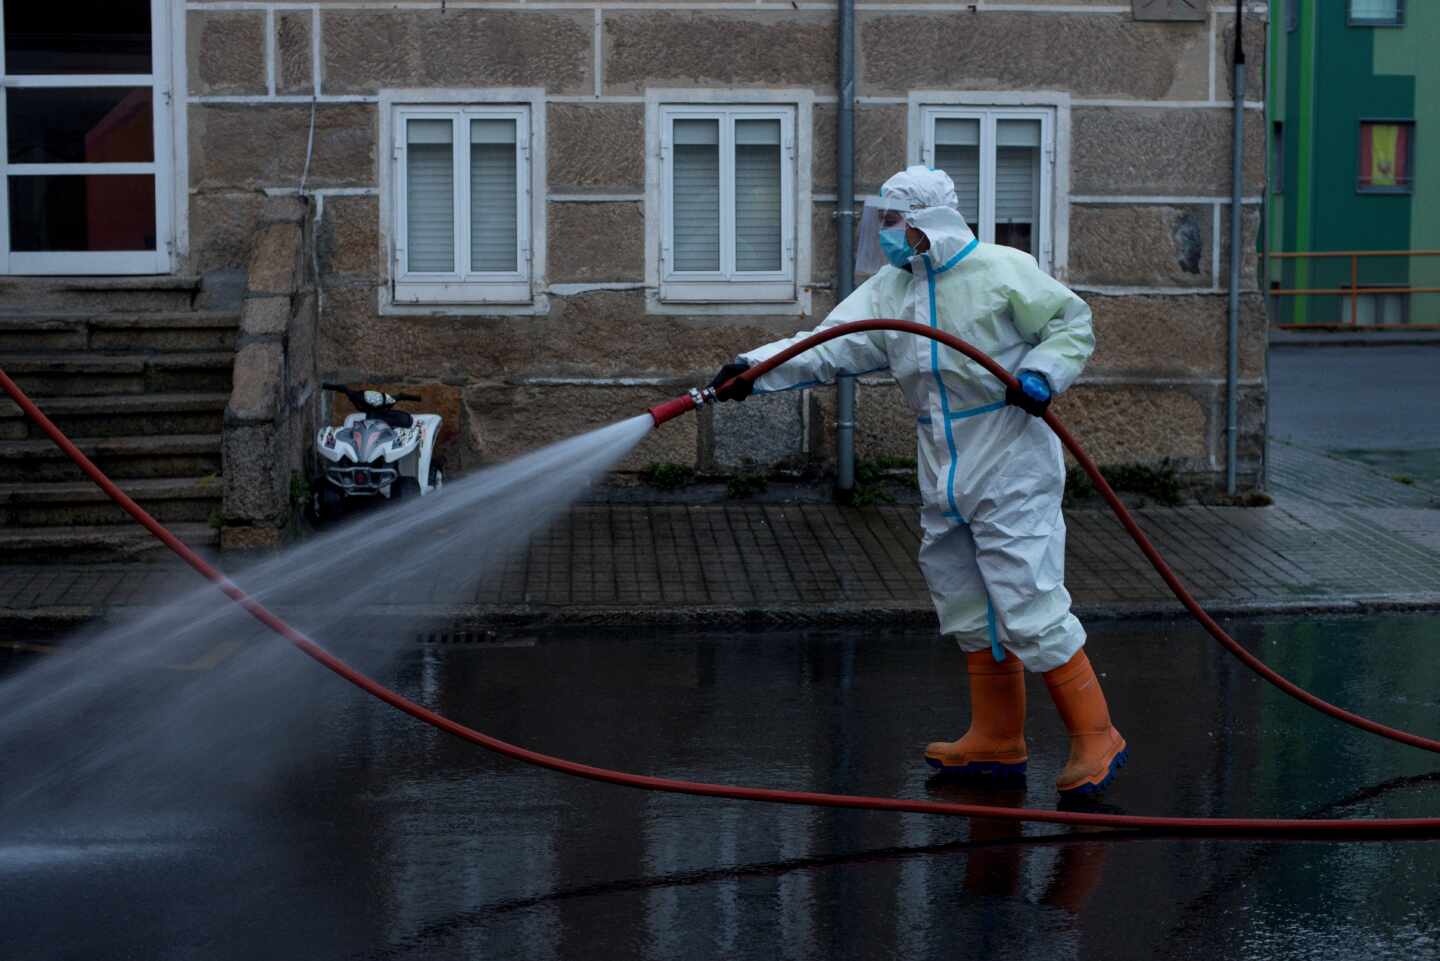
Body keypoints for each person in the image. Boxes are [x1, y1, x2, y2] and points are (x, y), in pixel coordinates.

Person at [708, 166, 1126, 795]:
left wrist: (1041, 374)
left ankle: (1096, 735)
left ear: (927, 221)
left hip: (1009, 453)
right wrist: (753, 370)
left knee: (1026, 596)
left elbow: (1072, 323)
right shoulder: (891, 290)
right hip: (943, 458)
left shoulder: (1000, 271)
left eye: (892, 223)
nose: (886, 235)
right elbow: (829, 345)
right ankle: (998, 737)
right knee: (963, 596)